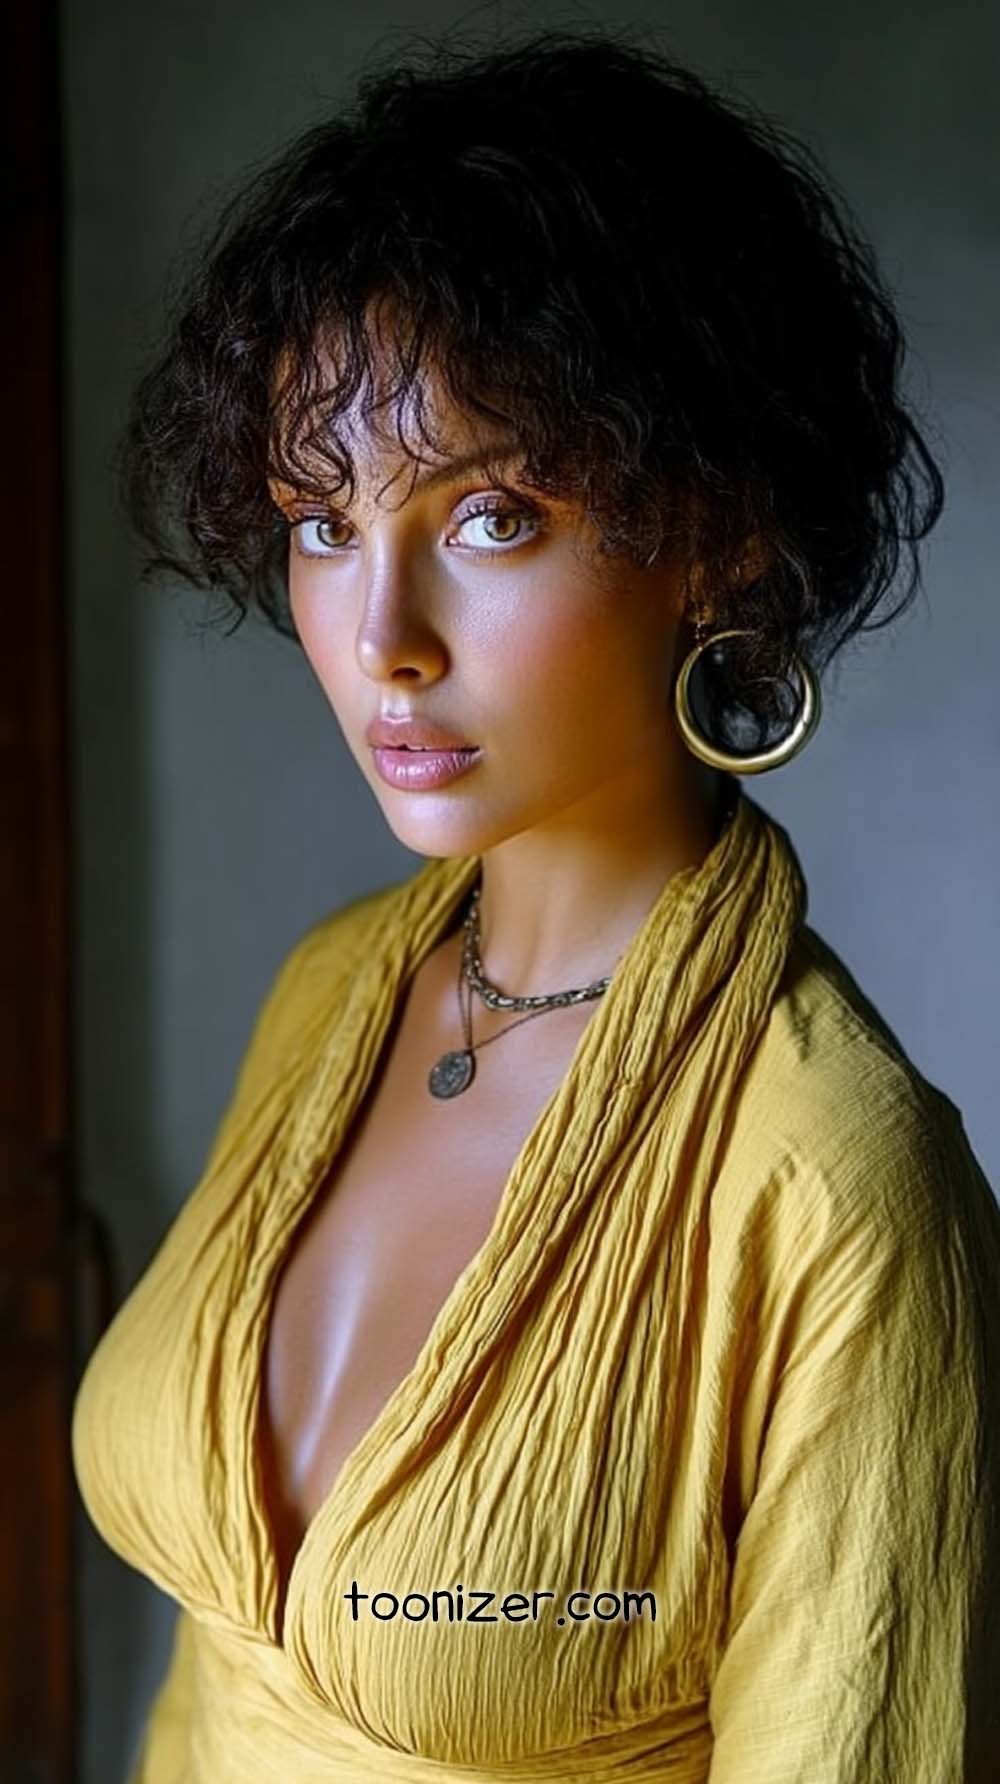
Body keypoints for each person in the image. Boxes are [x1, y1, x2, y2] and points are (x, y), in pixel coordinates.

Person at [71, 23, 1000, 1782]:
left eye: (490, 516)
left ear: (716, 527)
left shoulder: (840, 1191)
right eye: (324, 518)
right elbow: (206, 1701)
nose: (380, 637)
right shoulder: (333, 993)